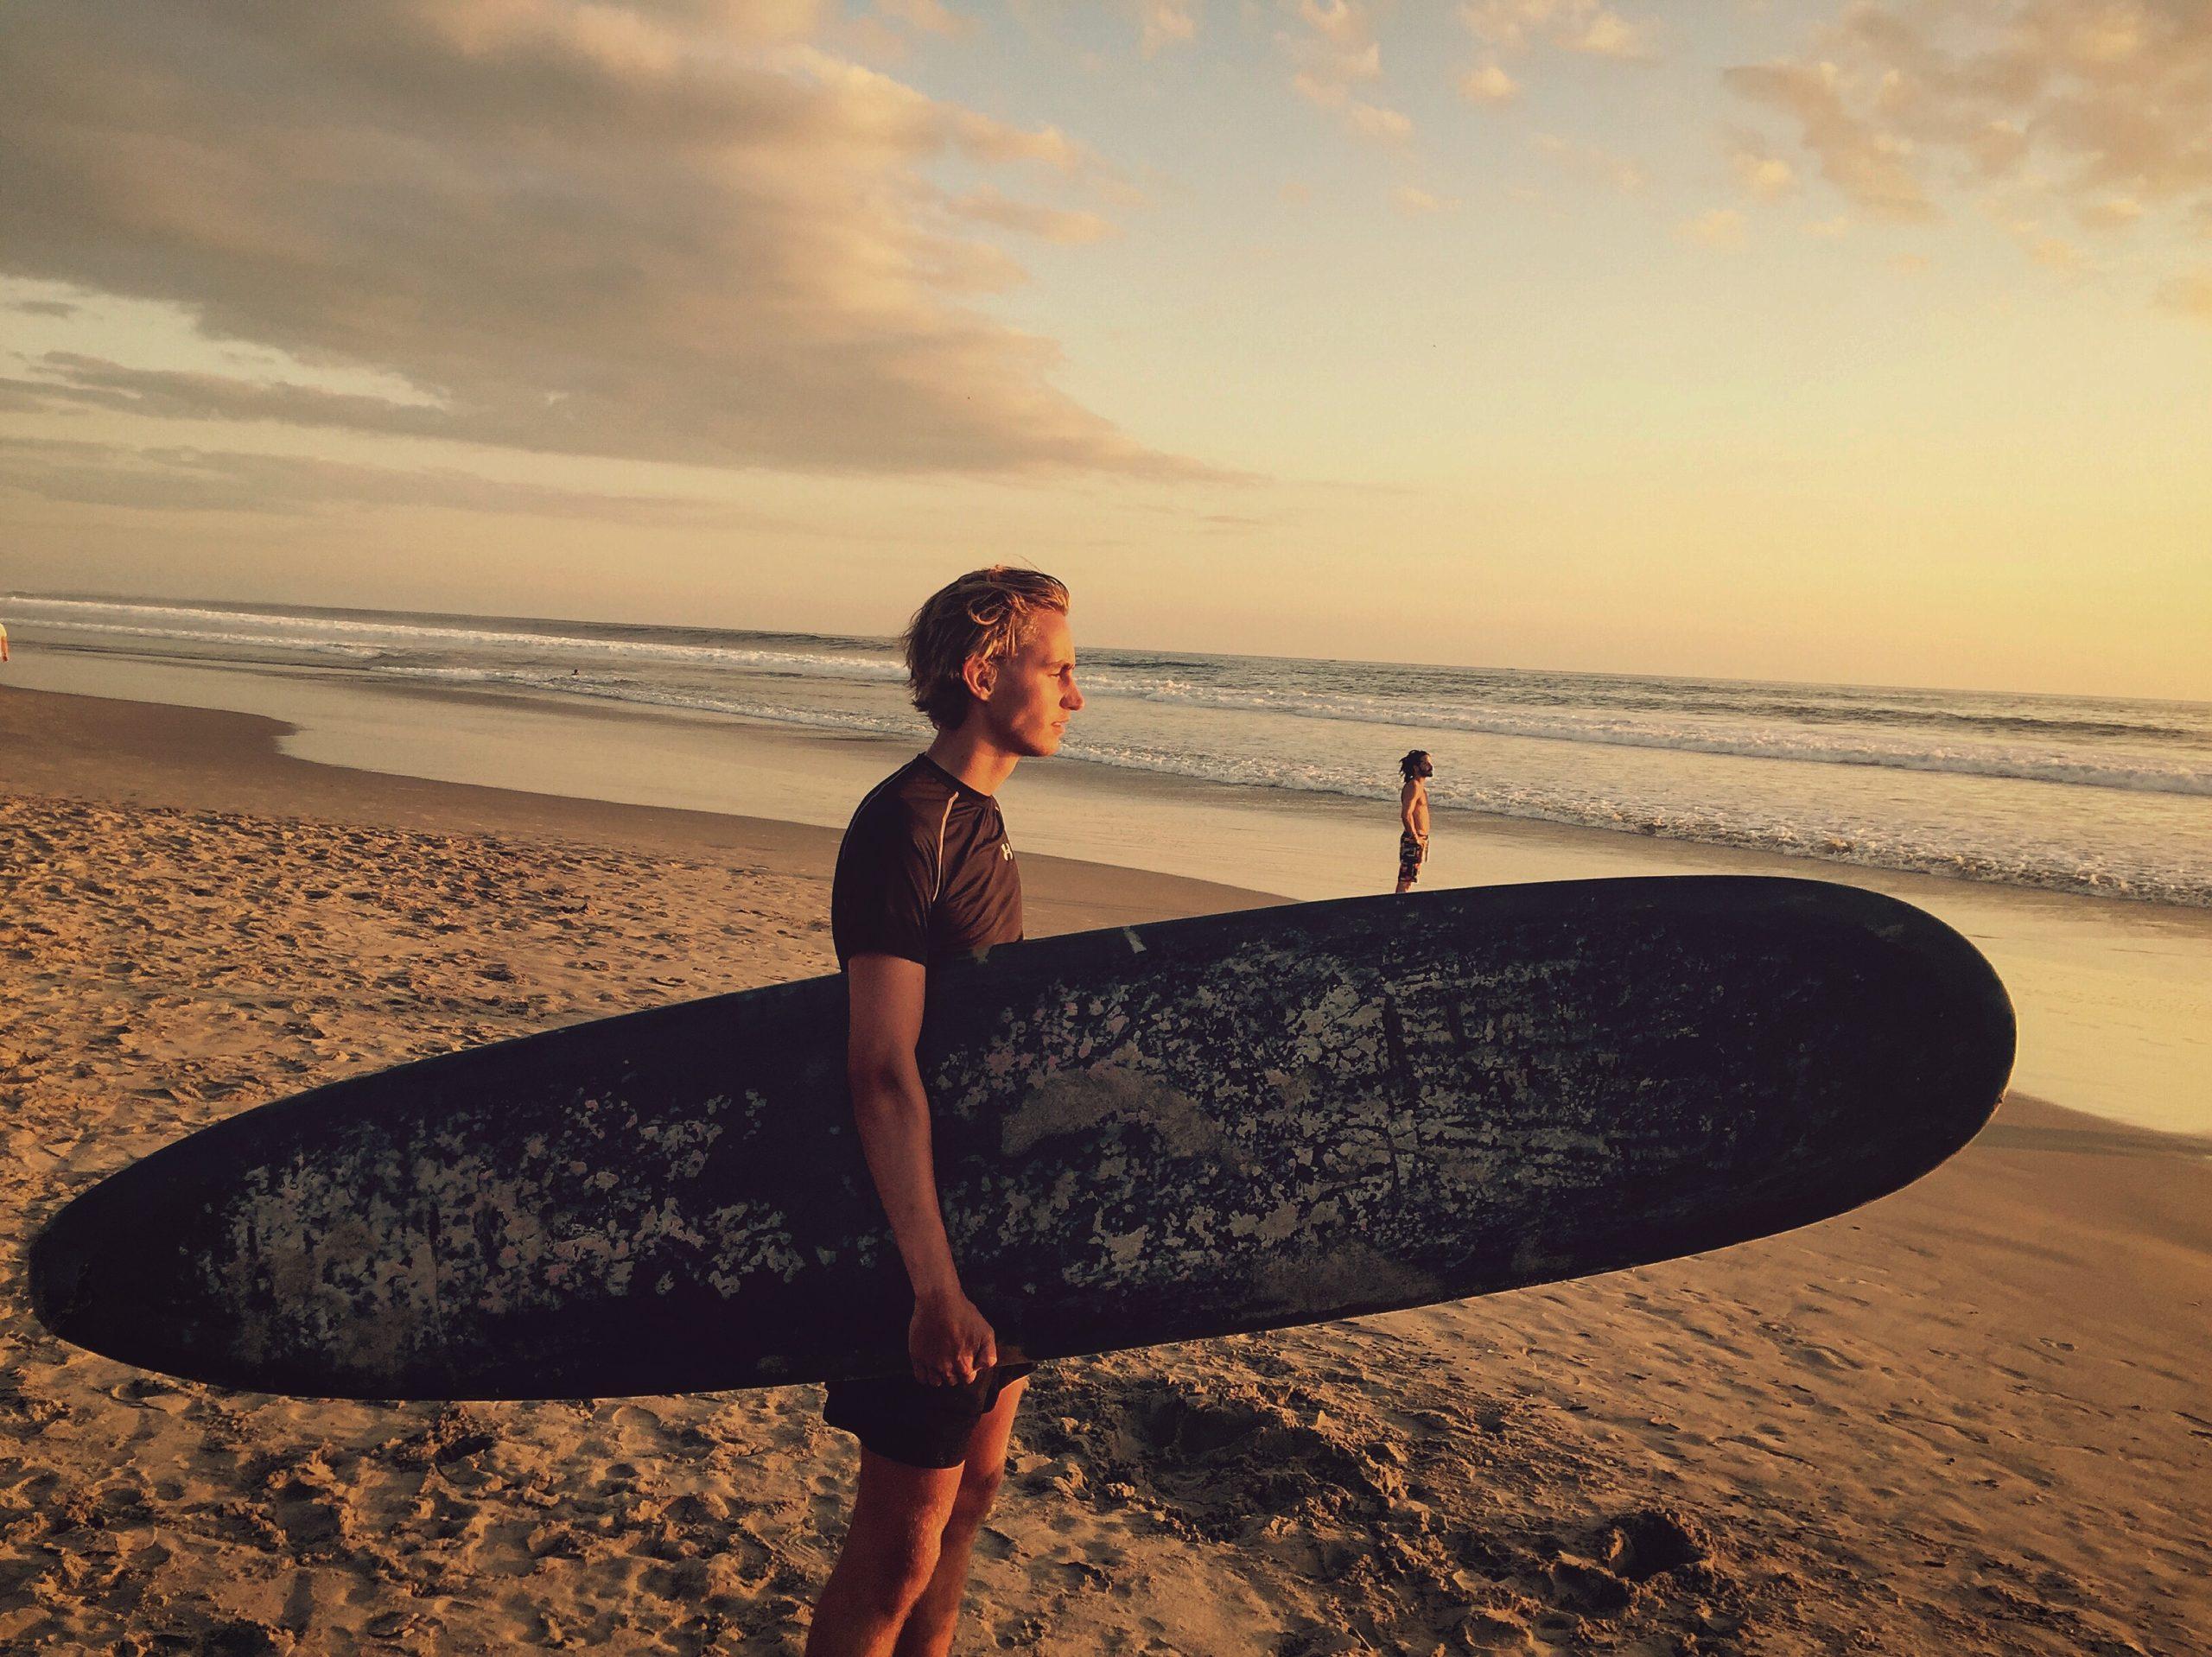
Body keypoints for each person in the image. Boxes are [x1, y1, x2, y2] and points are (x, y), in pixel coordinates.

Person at [805, 566, 1083, 1657]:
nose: (1075, 694)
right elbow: (880, 1066)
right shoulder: (905, 825)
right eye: (1057, 669)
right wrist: (934, 1288)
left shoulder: (977, 819)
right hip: (920, 1247)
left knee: (971, 1499)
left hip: (984, 1227)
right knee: (898, 1549)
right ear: (982, 674)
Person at [1395, 749, 1433, 893]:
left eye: (1430, 763)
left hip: (1420, 837)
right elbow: (1406, 814)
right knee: (1406, 879)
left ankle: (1402, 902)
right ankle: (1399, 903)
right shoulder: (1414, 786)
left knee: (1410, 878)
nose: (1430, 766)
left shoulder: (1420, 787)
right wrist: (1415, 837)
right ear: (1416, 767)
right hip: (1414, 838)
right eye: (1425, 763)